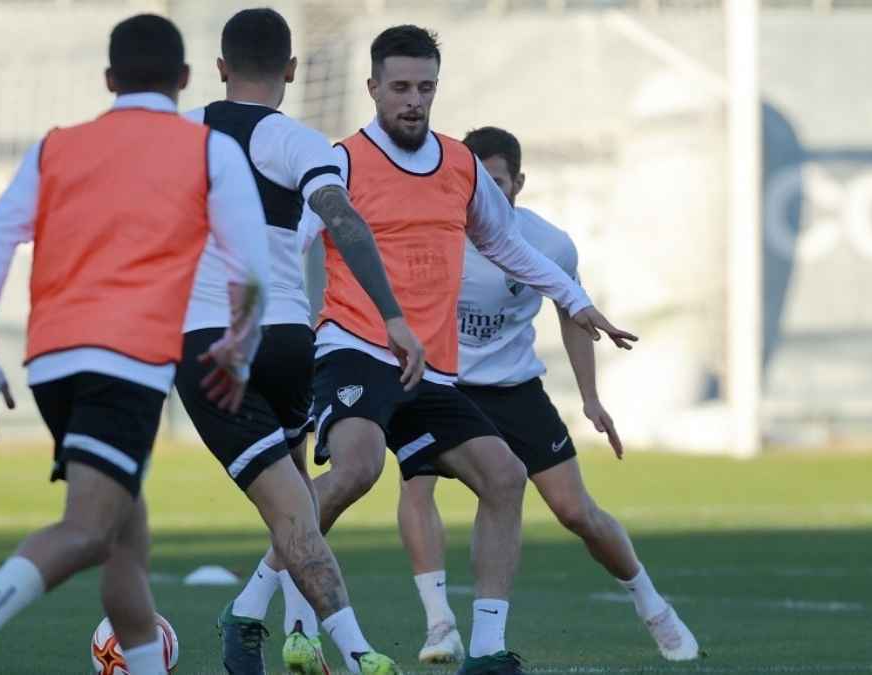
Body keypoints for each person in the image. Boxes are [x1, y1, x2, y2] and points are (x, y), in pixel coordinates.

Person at [263, 25, 636, 675]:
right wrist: (271, 325)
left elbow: (509, 244)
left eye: (425, 87)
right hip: (354, 345)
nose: (413, 99)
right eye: (400, 86)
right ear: (373, 87)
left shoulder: (459, 164)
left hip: (428, 366)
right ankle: (253, 601)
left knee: (505, 476)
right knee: (354, 471)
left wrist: (574, 299)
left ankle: (486, 651)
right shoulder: (341, 160)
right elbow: (290, 245)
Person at [0, 15, 272, 675]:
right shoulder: (206, 148)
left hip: (52, 363)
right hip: (128, 364)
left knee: (122, 541)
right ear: (187, 80)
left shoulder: (56, 147)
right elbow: (249, 267)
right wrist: (240, 347)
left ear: (109, 81)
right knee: (88, 529)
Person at [397, 126, 700, 665]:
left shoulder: (548, 244)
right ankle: (440, 623)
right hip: (444, 386)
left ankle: (653, 607)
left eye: (497, 183)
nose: (485, 195)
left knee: (574, 510)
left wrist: (591, 399)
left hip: (515, 391)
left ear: (519, 182)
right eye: (476, 182)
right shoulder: (435, 234)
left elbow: (571, 311)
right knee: (417, 482)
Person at [174, 8, 417, 675]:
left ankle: (350, 648)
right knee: (298, 503)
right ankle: (276, 627)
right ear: (290, 70)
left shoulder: (176, 135)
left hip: (208, 343)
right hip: (285, 340)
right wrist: (393, 316)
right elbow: (344, 221)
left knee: (291, 507)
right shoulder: (300, 141)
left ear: (220, 70)